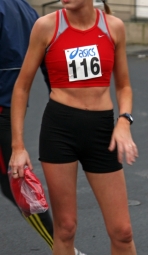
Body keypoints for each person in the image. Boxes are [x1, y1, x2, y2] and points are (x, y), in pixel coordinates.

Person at [9, 0, 139, 254]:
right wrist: (18, 146)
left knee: (123, 232)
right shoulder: (46, 26)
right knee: (65, 228)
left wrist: (124, 120)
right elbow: (21, 87)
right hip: (60, 131)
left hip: (102, 133)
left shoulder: (114, 27)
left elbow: (124, 85)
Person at [0, 1, 84, 254]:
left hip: (2, 106)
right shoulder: (27, 10)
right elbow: (50, 64)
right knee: (14, 184)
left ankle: (62, 248)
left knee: (16, 186)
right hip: (9, 108)